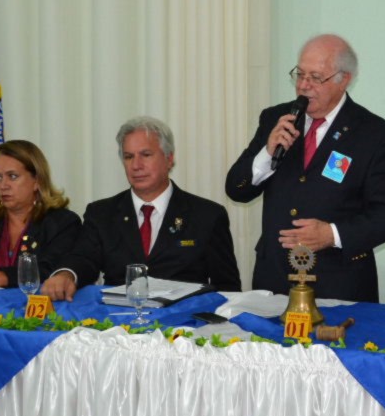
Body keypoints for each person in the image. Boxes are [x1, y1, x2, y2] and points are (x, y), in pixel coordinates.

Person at [226, 34, 385, 302]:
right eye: (300, 74)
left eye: (315, 77)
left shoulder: (375, 134)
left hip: (339, 285)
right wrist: (267, 152)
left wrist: (331, 234)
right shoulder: (276, 118)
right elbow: (236, 189)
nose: (303, 85)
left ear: (343, 79)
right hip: (274, 280)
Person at [42, 117, 240, 300]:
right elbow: (83, 258)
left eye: (146, 155)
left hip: (184, 321)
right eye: (128, 157)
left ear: (169, 159)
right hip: (118, 320)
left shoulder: (207, 215)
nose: (136, 165)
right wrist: (66, 274)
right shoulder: (101, 213)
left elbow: (227, 287)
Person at [0, 140, 81, 287]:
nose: (3, 185)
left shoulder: (61, 223)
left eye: (12, 176)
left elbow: (50, 272)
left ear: (37, 181)